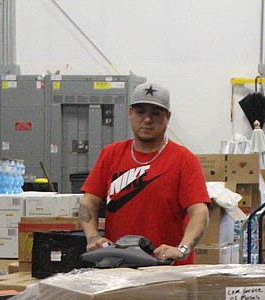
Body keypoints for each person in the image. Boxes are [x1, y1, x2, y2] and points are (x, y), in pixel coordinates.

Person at [79, 81, 210, 263]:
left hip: (167, 270)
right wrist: (92, 237)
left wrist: (182, 249)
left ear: (168, 117)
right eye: (140, 112)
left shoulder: (184, 160)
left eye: (155, 113)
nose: (147, 120)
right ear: (130, 113)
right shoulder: (111, 154)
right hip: (118, 266)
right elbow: (88, 202)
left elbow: (200, 212)